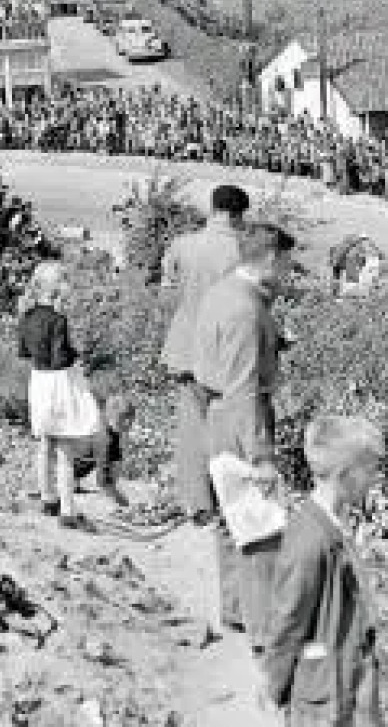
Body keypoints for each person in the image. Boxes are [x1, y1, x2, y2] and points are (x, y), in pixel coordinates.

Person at [196, 222, 296, 651]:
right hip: (241, 421)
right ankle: (263, 632)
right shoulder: (246, 310)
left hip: (217, 417)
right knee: (260, 526)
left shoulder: (224, 292)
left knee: (230, 520)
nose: (289, 271)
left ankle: (236, 609)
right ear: (271, 258)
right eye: (287, 263)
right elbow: (242, 389)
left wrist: (272, 343)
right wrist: (262, 456)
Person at [262, 415, 385, 726]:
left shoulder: (335, 524)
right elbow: (288, 620)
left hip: (348, 681)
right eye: (369, 470)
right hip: (324, 699)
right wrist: (272, 687)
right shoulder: (309, 538)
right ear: (345, 474)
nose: (374, 479)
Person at [161, 184, 250, 524]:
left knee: (192, 428)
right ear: (237, 214)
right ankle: (229, 503)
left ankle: (197, 504)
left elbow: (169, 291)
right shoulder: (245, 251)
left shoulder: (183, 245)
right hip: (228, 351)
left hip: (187, 347)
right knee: (229, 430)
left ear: (214, 209)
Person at [18, 260, 104, 528]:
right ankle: (68, 510)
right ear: (57, 287)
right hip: (58, 382)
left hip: (38, 381)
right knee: (65, 448)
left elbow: (23, 352)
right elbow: (59, 358)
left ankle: (48, 499)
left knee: (44, 444)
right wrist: (77, 356)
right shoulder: (58, 319)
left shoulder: (26, 316)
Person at [68, 394, 136, 506]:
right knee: (109, 454)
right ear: (112, 417)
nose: (128, 425)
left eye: (130, 421)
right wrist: (121, 501)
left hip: (81, 459)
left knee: (116, 455)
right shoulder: (103, 437)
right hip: (66, 466)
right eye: (124, 420)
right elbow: (102, 481)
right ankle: (68, 482)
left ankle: (74, 482)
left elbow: (115, 459)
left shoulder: (107, 426)